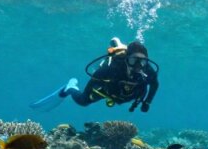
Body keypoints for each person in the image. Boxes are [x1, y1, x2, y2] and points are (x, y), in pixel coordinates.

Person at [31, 39, 159, 112]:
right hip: (108, 90)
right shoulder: (112, 68)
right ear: (126, 59)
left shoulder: (148, 69)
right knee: (83, 102)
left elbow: (155, 84)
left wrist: (147, 102)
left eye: (142, 61)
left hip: (128, 96)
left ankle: (118, 43)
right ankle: (70, 87)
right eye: (133, 60)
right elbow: (94, 79)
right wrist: (85, 95)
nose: (138, 65)